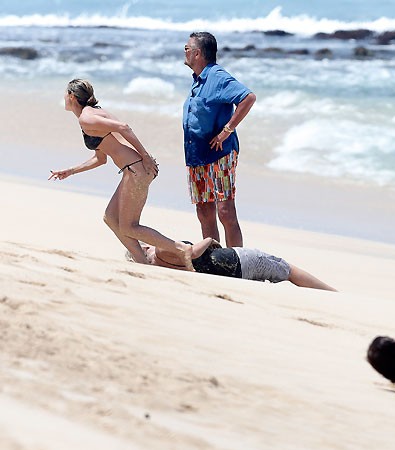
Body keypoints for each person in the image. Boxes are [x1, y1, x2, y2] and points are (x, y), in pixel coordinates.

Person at [50, 79, 194, 270]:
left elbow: (124, 127)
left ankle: (181, 249)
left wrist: (146, 156)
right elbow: (101, 158)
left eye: (65, 94)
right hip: (133, 170)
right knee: (111, 217)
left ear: (71, 96)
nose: (63, 98)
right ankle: (142, 262)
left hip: (136, 169)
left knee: (129, 227)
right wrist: (71, 171)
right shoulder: (90, 115)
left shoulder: (87, 118)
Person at [183, 31, 256, 247]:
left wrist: (227, 130)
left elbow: (248, 97)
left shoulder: (217, 76)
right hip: (197, 155)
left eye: (187, 49)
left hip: (219, 154)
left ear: (197, 53)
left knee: (225, 211)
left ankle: (237, 262)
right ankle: (213, 261)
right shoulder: (198, 80)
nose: (185, 53)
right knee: (204, 211)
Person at [128, 236, 336, 291]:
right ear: (146, 249)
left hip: (233, 274)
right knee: (288, 269)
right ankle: (331, 292)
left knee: (282, 272)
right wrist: (210, 240)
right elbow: (191, 252)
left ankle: (328, 292)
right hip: (239, 260)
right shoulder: (163, 250)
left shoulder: (162, 268)